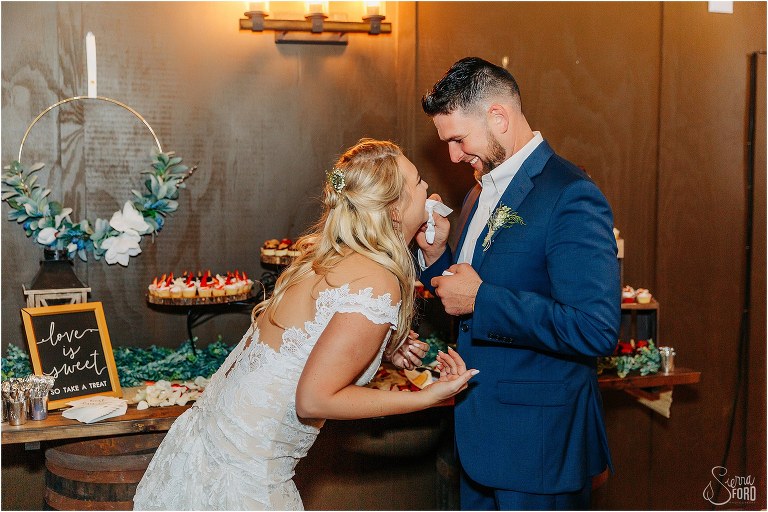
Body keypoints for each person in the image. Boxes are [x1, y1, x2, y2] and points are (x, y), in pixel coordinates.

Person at [133, 139, 478, 510]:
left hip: (204, 453)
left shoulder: (332, 256)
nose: (428, 188)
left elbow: (307, 346)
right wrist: (428, 397)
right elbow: (313, 399)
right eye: (418, 180)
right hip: (244, 484)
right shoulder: (378, 279)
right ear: (394, 210)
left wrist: (384, 350)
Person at [416, 57, 621, 510]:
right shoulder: (477, 191)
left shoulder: (571, 194)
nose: (452, 155)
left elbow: (596, 328)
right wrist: (435, 262)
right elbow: (466, 293)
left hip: (540, 450)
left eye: (458, 139)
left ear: (499, 118)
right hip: (480, 439)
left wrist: (482, 300)